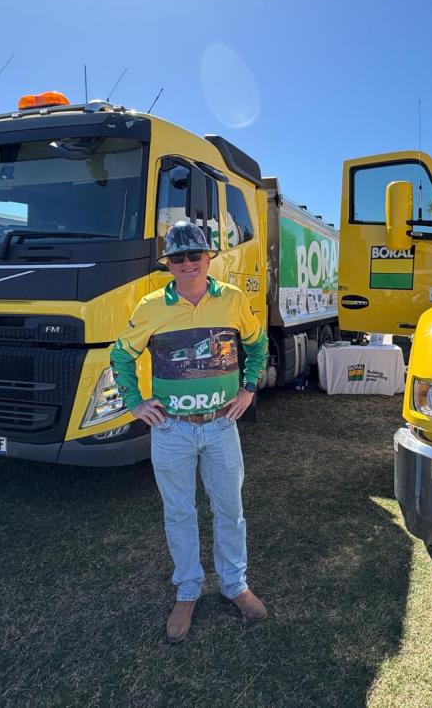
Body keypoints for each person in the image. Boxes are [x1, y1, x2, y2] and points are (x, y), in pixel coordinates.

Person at [110, 221, 269, 642]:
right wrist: (135, 402)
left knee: (230, 510)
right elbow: (120, 355)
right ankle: (187, 589)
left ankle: (234, 585)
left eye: (194, 255)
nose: (186, 263)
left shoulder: (232, 300)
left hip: (221, 425)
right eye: (177, 257)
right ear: (168, 263)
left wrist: (248, 389)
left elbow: (257, 344)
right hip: (171, 431)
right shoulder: (150, 307)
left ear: (208, 257)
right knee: (179, 513)